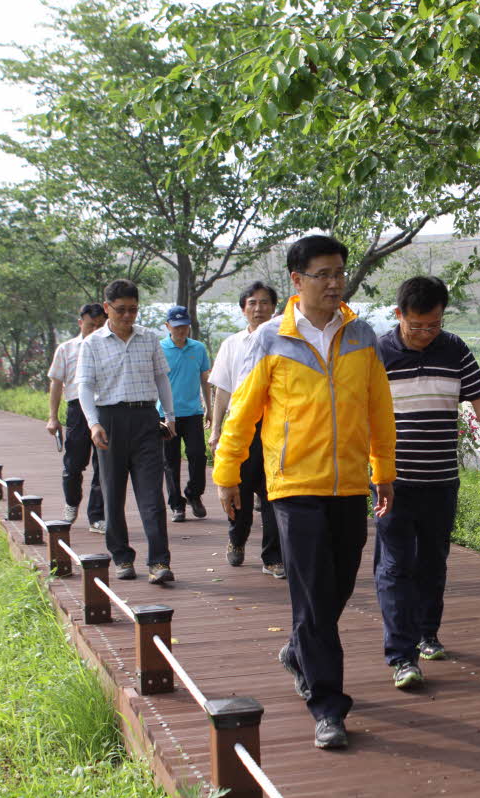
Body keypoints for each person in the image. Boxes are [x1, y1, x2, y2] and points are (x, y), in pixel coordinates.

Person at [212, 235, 396, 750]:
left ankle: (299, 649)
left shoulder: (362, 335)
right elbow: (242, 411)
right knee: (314, 591)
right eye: (323, 274)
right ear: (297, 280)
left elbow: (379, 408)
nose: (335, 282)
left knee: (336, 586)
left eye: (339, 272)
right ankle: (328, 705)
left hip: (350, 483)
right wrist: (226, 471)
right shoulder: (269, 337)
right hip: (293, 485)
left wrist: (384, 469)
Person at [373, 275, 480, 689]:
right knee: (394, 566)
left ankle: (428, 634)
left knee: (432, 562)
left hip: (442, 479)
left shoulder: (455, 348)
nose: (426, 334)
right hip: (393, 480)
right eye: (417, 326)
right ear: (398, 316)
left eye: (434, 325)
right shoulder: (378, 352)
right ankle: (401, 656)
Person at [77, 279, 176, 585]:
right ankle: (121, 556)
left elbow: (161, 379)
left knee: (152, 495)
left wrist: (169, 415)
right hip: (109, 420)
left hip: (146, 419)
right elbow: (85, 386)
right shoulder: (92, 343)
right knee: (113, 493)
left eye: (133, 310)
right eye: (120, 310)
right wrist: (93, 424)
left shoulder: (149, 339)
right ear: (107, 308)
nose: (127, 316)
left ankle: (159, 562)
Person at [208, 281, 284, 578]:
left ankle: (273, 556)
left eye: (264, 302)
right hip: (240, 426)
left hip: (274, 426)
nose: (258, 308)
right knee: (238, 486)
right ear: (243, 309)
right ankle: (236, 539)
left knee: (271, 492)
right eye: (252, 303)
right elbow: (222, 391)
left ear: (273, 308)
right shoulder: (232, 344)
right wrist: (216, 431)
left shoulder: (284, 341)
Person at [46, 303, 106, 532]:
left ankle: (97, 516)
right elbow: (56, 383)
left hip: (103, 408)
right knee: (73, 464)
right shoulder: (66, 349)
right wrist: (52, 417)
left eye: (100, 326)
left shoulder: (107, 347)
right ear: (81, 323)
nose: (95, 330)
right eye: (91, 326)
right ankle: (71, 502)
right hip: (77, 410)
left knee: (103, 465)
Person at [160, 306, 212, 523]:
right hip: (166, 414)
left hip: (192, 412)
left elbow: (205, 378)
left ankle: (194, 494)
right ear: (168, 326)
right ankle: (176, 505)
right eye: (177, 326)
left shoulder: (198, 348)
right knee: (170, 461)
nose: (181, 330)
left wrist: (209, 406)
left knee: (198, 455)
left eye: (185, 326)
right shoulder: (159, 348)